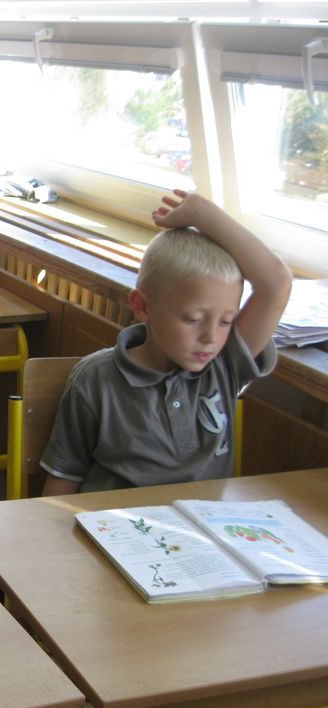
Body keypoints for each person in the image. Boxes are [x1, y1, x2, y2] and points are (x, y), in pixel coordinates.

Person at [40, 189, 292, 496]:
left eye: (226, 321)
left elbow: (276, 283)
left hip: (200, 524)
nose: (211, 337)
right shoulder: (95, 379)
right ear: (143, 306)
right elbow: (65, 478)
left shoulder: (224, 364)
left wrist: (203, 214)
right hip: (114, 522)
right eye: (193, 319)